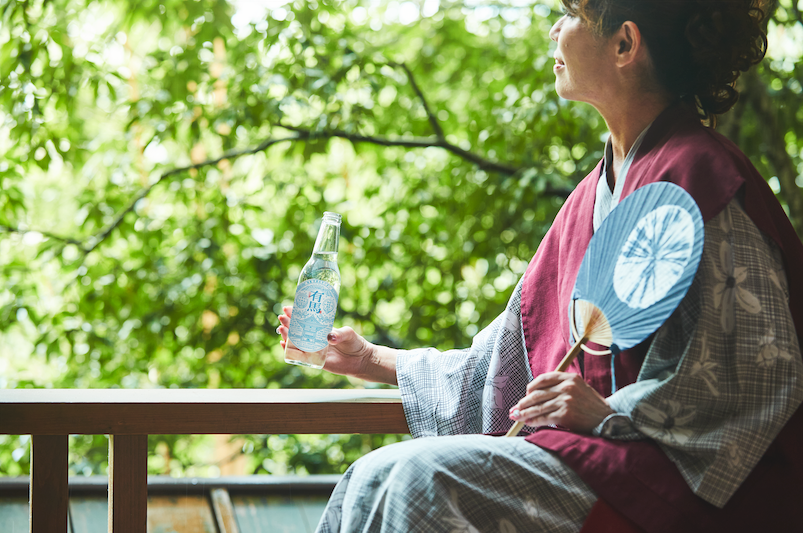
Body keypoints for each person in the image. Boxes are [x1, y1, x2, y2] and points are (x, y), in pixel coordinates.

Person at [277, 0, 803, 531]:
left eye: (570, 14)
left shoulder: (703, 176)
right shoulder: (586, 201)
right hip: (591, 465)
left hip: (671, 489)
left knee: (418, 479)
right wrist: (369, 359)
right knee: (371, 476)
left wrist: (610, 414)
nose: (555, 28)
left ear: (624, 44)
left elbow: (760, 377)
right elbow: (502, 368)